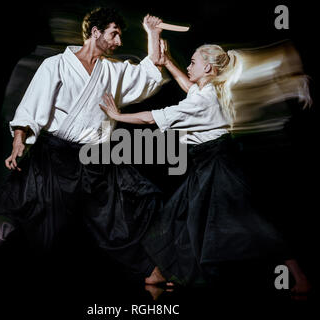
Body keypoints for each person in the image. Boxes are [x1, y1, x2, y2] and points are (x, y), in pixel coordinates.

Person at [0, 9, 169, 284]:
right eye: (114, 34)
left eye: (120, 36)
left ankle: (150, 272)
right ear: (95, 32)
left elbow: (149, 73)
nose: (118, 42)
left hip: (94, 160)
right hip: (53, 156)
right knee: (10, 209)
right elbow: (31, 108)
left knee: (113, 217)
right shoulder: (55, 65)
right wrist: (19, 142)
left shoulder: (113, 70)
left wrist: (153, 33)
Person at [100, 42, 312, 295]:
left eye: (192, 63)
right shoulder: (208, 90)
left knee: (250, 223)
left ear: (208, 67)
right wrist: (168, 62)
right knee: (178, 216)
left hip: (219, 165)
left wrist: (117, 115)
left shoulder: (207, 99)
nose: (188, 67)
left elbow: (152, 117)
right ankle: (161, 272)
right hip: (207, 163)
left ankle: (299, 277)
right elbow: (190, 89)